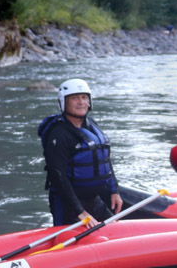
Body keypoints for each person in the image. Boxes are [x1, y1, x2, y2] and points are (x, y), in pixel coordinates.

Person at [38, 78, 124, 226]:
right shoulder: (58, 135)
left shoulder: (91, 125)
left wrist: (114, 191)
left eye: (84, 97)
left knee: (115, 230)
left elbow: (105, 160)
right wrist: (80, 211)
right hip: (68, 205)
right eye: (74, 98)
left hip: (93, 200)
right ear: (63, 102)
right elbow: (58, 177)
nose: (81, 102)